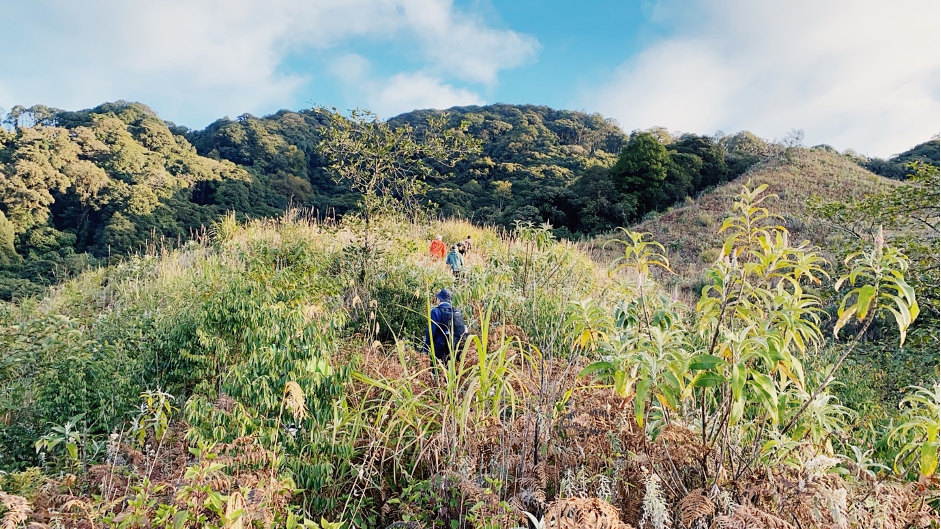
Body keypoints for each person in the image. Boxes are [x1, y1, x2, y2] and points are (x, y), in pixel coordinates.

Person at [424, 288, 466, 372]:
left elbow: (431, 331)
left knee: (437, 371)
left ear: (439, 299)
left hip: (440, 346)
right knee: (452, 372)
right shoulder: (457, 312)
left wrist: (426, 348)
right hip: (455, 346)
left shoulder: (435, 311)